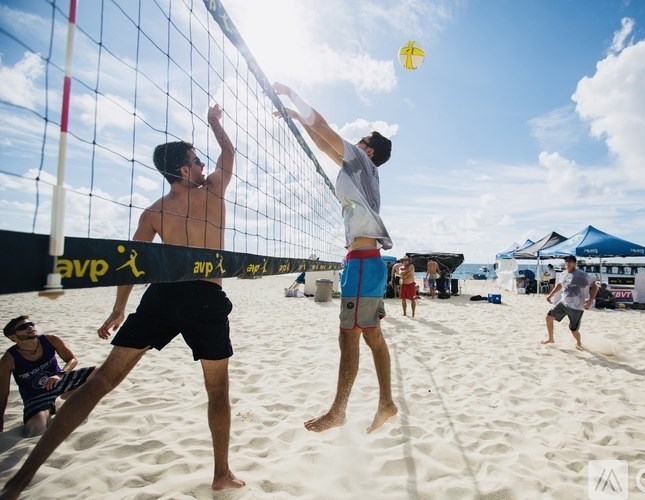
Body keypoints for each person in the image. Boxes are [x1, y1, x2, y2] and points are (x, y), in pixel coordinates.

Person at [1, 105, 245, 499]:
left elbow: (131, 265)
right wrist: (216, 124)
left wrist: (119, 309)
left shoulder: (153, 212)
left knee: (100, 383)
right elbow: (230, 155)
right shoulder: (213, 191)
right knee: (217, 392)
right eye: (197, 161)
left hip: (162, 295)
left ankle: (22, 478)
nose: (203, 166)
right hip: (204, 296)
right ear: (184, 170)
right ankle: (221, 474)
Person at [273, 82, 397, 434]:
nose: (354, 142)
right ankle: (385, 402)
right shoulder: (358, 168)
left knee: (350, 337)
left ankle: (340, 410)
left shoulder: (360, 162)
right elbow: (323, 140)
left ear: (368, 150)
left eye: (360, 139)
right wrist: (300, 121)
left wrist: (294, 97)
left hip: (363, 264)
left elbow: (326, 130)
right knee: (370, 335)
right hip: (363, 263)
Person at [1, 317, 95, 437]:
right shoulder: (8, 359)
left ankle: (64, 397)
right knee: (36, 428)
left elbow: (72, 359)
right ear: (13, 337)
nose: (30, 327)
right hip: (35, 396)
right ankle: (53, 406)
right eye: (23, 327)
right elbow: (3, 394)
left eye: (31, 324)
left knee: (98, 372)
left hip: (59, 382)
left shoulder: (50, 339)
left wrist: (60, 374)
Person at [541, 255, 598, 350]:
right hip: (563, 303)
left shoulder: (581, 275)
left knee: (573, 330)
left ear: (575, 263)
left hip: (576, 307)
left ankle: (579, 343)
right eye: (566, 261)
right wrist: (550, 295)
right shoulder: (563, 274)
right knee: (548, 318)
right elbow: (560, 284)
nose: (568, 263)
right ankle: (551, 339)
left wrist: (590, 301)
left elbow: (594, 286)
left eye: (570, 261)